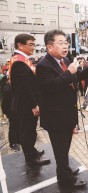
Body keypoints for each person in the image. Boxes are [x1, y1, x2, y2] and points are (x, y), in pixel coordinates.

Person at [36, 30, 88, 188]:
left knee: (64, 148)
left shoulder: (64, 60)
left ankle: (65, 171)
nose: (66, 46)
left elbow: (74, 79)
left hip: (67, 114)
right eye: (61, 43)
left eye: (66, 43)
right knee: (60, 150)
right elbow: (51, 87)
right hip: (56, 117)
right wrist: (69, 72)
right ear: (50, 47)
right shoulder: (43, 65)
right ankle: (65, 180)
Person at [10, 33, 50, 165]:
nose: (34, 47)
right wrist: (34, 105)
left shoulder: (21, 59)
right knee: (27, 131)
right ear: (20, 45)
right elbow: (24, 88)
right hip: (25, 105)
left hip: (25, 104)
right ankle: (31, 159)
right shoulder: (19, 63)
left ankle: (32, 151)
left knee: (30, 130)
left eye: (34, 44)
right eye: (31, 44)